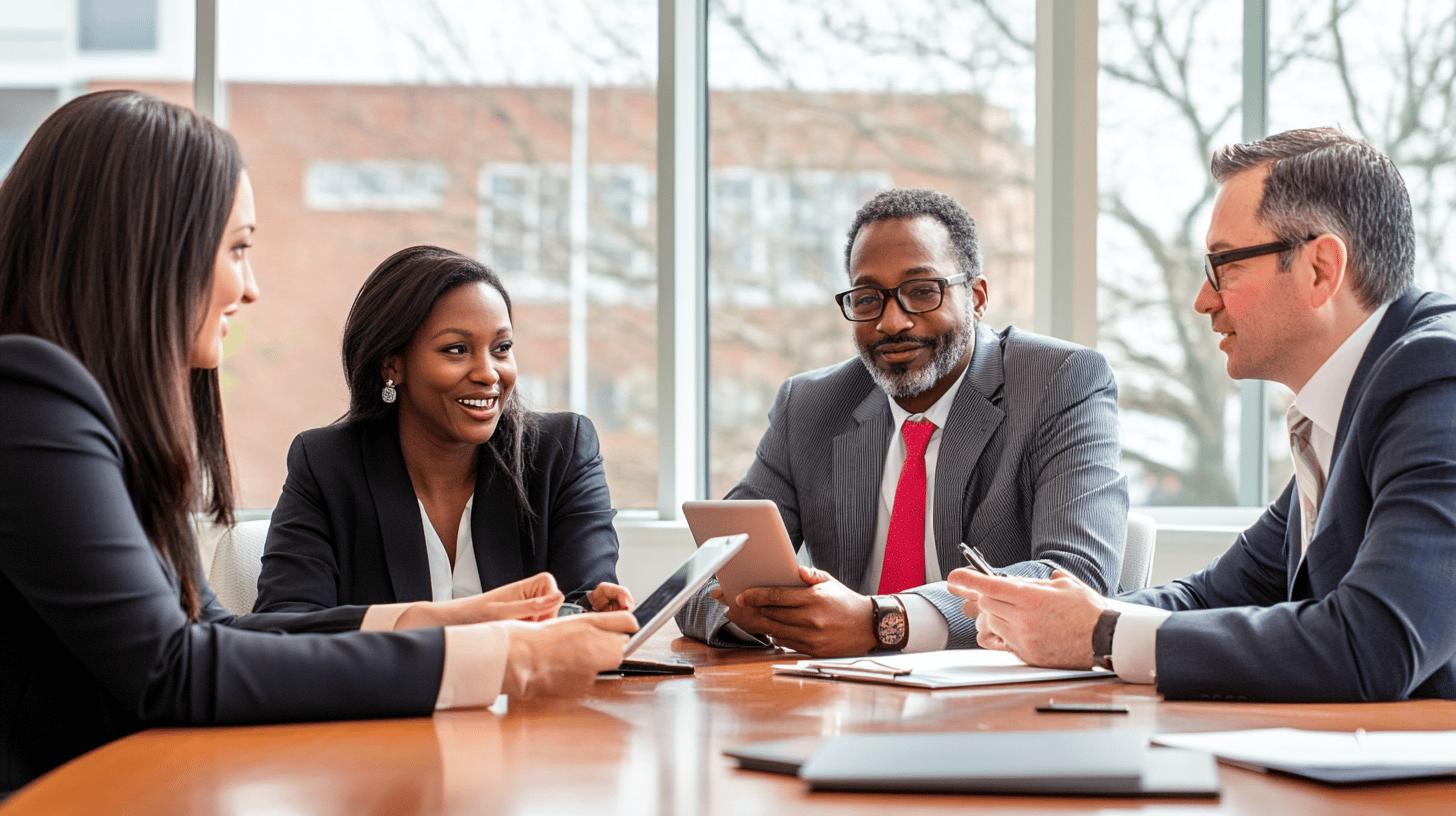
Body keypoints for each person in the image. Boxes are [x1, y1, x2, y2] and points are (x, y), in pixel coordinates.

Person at [0, 90, 635, 794]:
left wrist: (447, 620)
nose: (251, 287)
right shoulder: (29, 396)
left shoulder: (74, 405)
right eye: (236, 248)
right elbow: (173, 671)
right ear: (147, 247)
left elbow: (217, 632)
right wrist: (499, 659)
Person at [951, 127, 1456, 702]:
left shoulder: (1439, 377)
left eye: (1224, 265)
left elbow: (1377, 643)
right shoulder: (1346, 405)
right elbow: (1213, 595)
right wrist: (1060, 618)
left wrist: (1101, 634)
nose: (1203, 299)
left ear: (1320, 268)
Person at [677, 188, 1128, 657]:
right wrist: (757, 614)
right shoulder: (811, 407)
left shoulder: (1058, 381)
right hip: (842, 701)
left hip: (999, 707)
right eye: (868, 298)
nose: (892, 322)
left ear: (976, 297)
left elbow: (1074, 576)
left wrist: (884, 623)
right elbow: (700, 586)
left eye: (920, 291)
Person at [253, 246, 632, 615]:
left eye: (501, 347)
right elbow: (284, 625)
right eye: (456, 349)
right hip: (385, 682)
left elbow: (586, 604)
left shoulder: (560, 452)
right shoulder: (328, 465)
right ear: (392, 365)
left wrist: (590, 611)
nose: (488, 373)